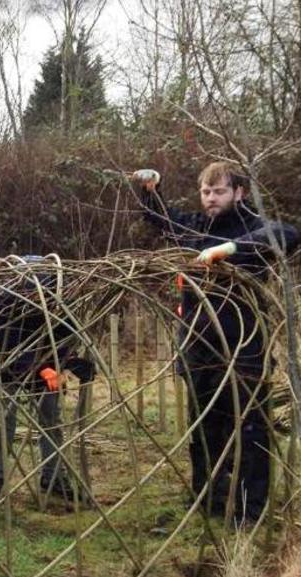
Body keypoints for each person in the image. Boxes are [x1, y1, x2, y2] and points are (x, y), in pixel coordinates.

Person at [134, 162, 298, 522]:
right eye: (206, 192)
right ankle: (209, 499)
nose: (211, 199)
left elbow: (286, 233)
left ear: (238, 193)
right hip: (198, 349)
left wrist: (229, 249)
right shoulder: (195, 228)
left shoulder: (253, 228)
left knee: (249, 429)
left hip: (243, 351)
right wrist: (149, 190)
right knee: (205, 428)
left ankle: (249, 509)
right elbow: (162, 218)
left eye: (219, 191)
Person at [0, 257, 96, 502]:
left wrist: (68, 364)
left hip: (46, 369)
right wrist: (40, 368)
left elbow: (65, 335)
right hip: (12, 369)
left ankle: (53, 477)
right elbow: (7, 344)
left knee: (51, 420)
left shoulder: (57, 298)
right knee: (4, 421)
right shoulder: (6, 302)